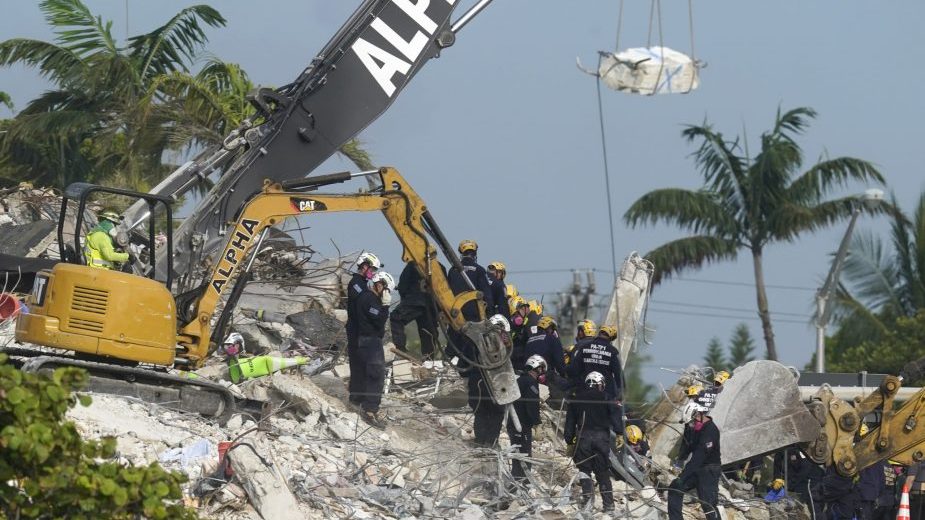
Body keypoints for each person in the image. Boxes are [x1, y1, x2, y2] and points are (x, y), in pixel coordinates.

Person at [564, 371, 620, 512]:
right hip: (601, 439)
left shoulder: (576, 400)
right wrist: (620, 433)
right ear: (599, 383)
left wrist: (569, 440)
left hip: (583, 439)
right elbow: (616, 419)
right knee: (602, 472)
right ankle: (609, 506)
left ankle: (588, 504)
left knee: (584, 471)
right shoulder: (607, 398)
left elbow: (569, 423)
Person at [353, 270, 394, 428]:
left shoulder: (368, 298)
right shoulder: (369, 299)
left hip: (368, 340)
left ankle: (367, 406)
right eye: (387, 289)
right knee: (376, 375)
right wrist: (385, 306)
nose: (387, 293)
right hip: (370, 341)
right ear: (380, 284)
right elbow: (378, 321)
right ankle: (369, 409)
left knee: (370, 374)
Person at [668, 404, 721, 520]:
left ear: (699, 415)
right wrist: (680, 459)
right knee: (674, 489)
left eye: (692, 421)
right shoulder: (697, 429)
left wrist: (683, 476)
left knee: (708, 504)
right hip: (697, 468)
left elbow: (699, 457)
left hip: (709, 470)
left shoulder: (711, 431)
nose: (691, 424)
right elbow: (690, 447)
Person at [345, 251, 382, 407]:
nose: (372, 273)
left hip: (358, 329)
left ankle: (358, 396)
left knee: (360, 364)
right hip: (355, 329)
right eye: (372, 269)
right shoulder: (355, 283)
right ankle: (356, 397)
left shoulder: (361, 284)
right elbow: (363, 300)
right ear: (365, 266)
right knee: (358, 364)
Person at [509, 354, 546, 486]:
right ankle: (523, 485)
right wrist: (537, 424)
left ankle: (516, 483)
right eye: (541, 369)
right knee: (524, 456)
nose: (542, 373)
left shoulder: (520, 380)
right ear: (536, 368)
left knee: (516, 454)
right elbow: (531, 405)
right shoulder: (531, 383)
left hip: (513, 424)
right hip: (522, 425)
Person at [389, 262, 439, 360]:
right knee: (428, 332)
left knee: (396, 318)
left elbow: (403, 285)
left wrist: (405, 300)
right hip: (431, 306)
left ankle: (400, 350)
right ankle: (429, 358)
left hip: (414, 301)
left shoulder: (413, 264)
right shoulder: (439, 267)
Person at [567, 325, 622, 402]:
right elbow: (618, 374)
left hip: (584, 389)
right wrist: (621, 391)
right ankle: (628, 410)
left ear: (599, 334)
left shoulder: (585, 347)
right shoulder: (612, 351)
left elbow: (574, 369)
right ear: (610, 338)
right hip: (605, 393)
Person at [447, 240, 493, 321]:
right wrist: (490, 314)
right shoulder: (480, 270)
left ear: (461, 253)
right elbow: (487, 296)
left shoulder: (452, 270)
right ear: (475, 254)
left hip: (455, 315)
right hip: (475, 316)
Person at [522, 316, 566, 380]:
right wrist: (564, 375)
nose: (553, 332)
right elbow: (559, 363)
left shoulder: (529, 340)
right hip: (545, 378)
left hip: (529, 376)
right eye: (553, 329)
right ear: (549, 328)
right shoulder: (552, 339)